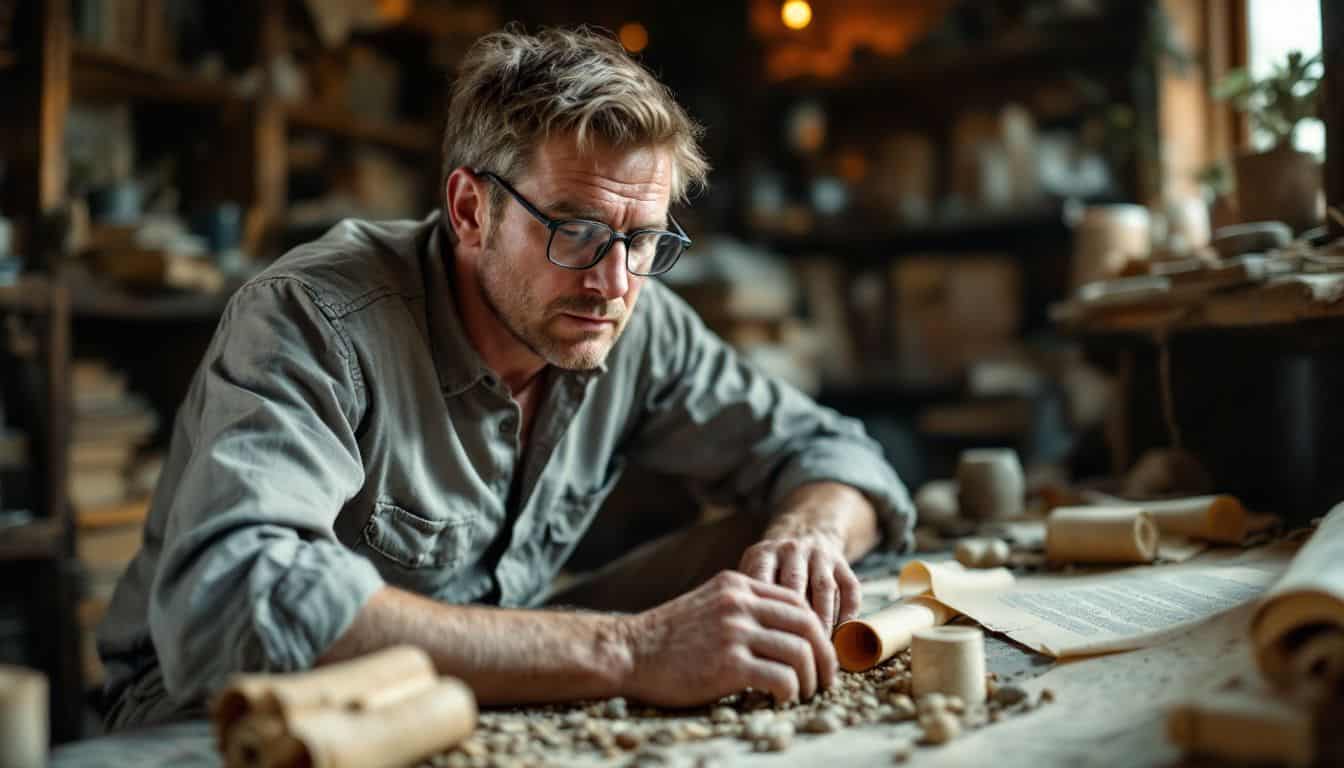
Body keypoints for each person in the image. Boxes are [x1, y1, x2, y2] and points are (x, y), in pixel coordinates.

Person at [97, 26, 913, 731]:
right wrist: (631, 651)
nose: (614, 281)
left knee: (766, 551)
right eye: (577, 230)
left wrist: (807, 536)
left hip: (474, 672)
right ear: (469, 211)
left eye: (642, 239)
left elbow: (832, 451)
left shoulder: (635, 316)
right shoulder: (315, 317)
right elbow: (239, 600)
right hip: (215, 709)